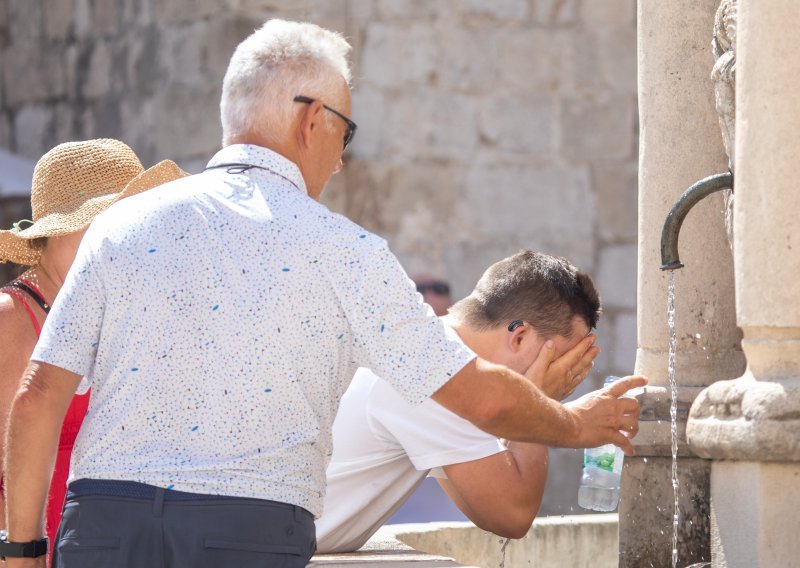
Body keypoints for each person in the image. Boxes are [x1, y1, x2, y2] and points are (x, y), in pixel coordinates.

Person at [2, 20, 644, 568]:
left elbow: (36, 399)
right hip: (244, 533)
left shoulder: (118, 226)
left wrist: (21, 550)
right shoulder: (346, 251)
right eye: (346, 131)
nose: (339, 161)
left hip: (104, 527)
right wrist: (575, 423)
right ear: (312, 120)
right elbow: (476, 393)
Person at [317, 250, 605, 552]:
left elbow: (485, 501)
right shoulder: (433, 369)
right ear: (519, 337)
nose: (567, 374)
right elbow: (511, 516)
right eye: (560, 359)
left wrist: (536, 406)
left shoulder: (436, 353)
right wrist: (541, 398)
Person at [0, 138, 187, 560]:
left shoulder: (120, 312)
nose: (116, 239)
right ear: (54, 232)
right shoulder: (11, 319)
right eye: (98, 222)